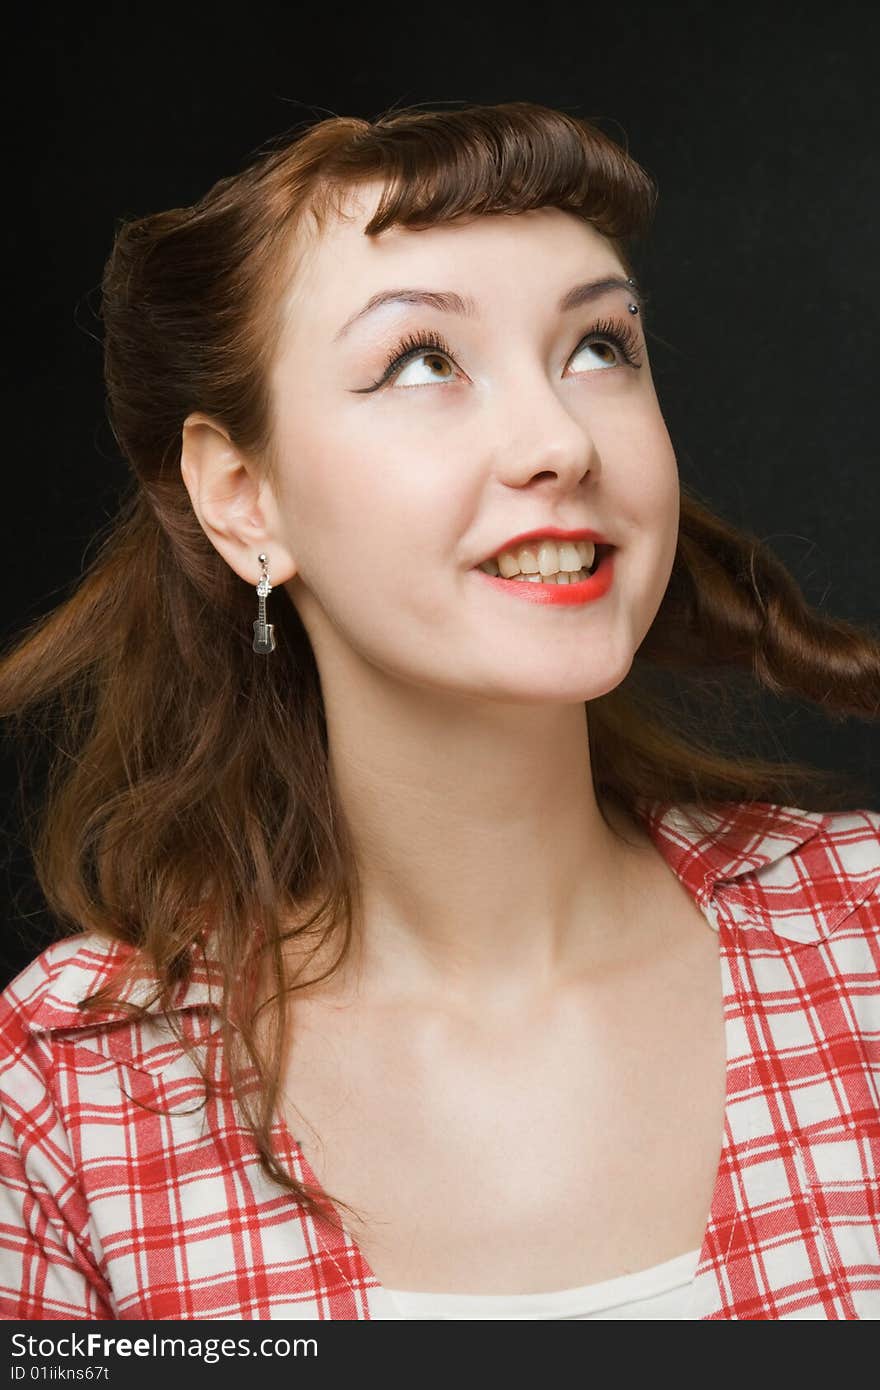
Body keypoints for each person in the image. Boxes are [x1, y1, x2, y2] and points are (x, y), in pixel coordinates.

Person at [0, 100, 878, 1322]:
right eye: (424, 360)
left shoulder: (865, 940)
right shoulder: (68, 1093)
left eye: (598, 347)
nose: (558, 441)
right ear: (243, 497)